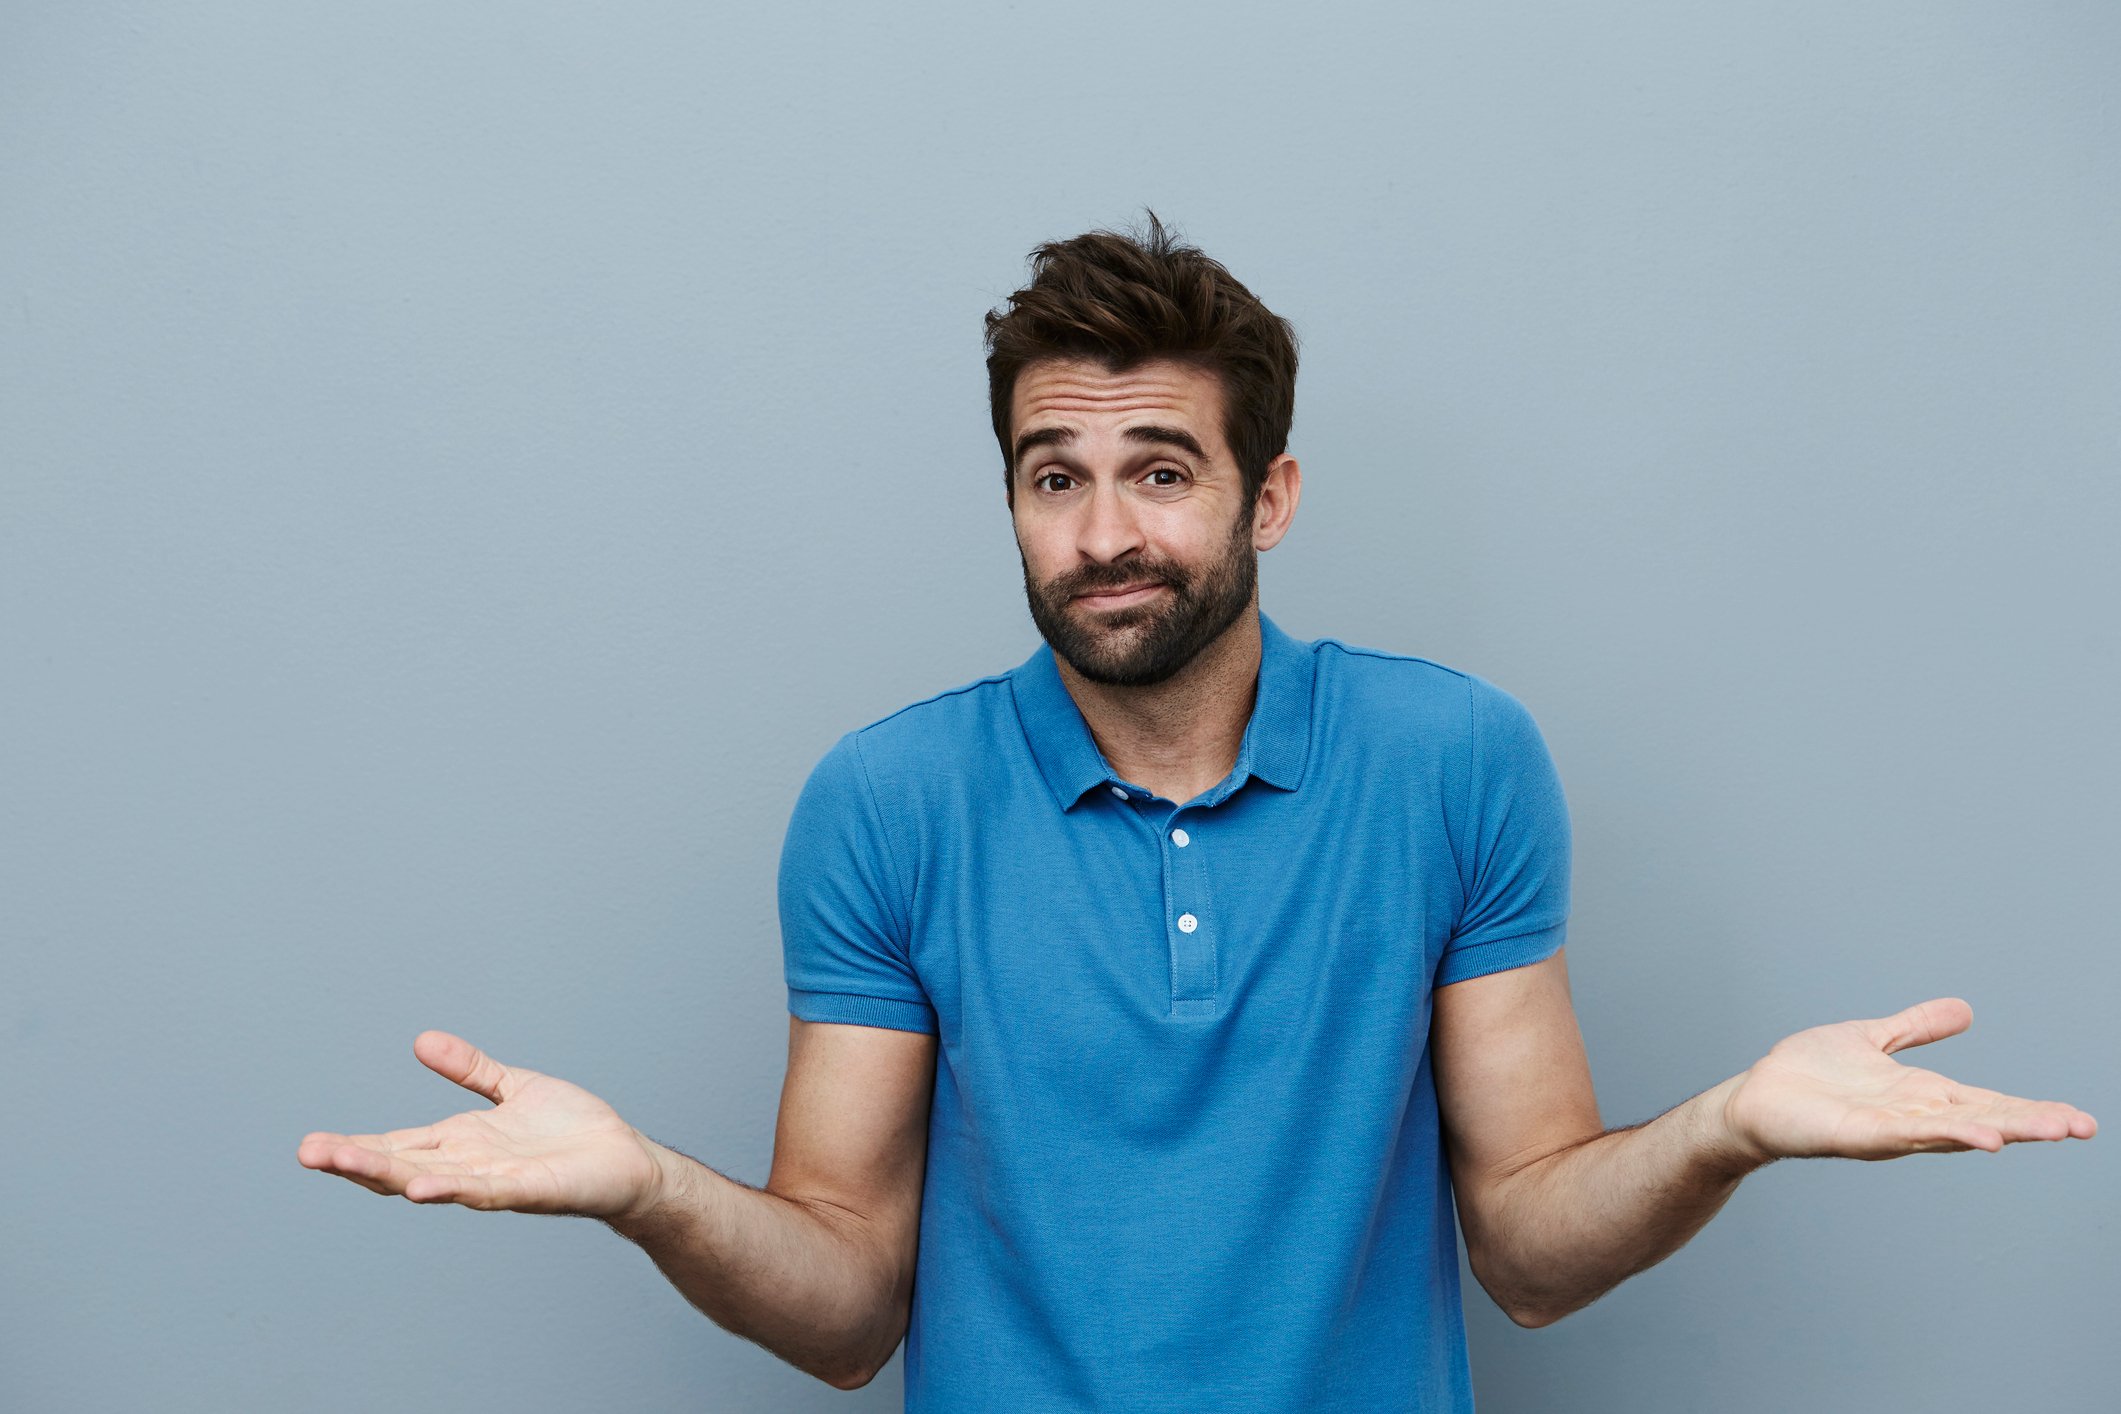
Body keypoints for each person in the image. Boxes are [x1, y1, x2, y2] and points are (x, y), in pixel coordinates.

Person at [297, 214, 2098, 1412]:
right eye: (1052, 476)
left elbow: (1529, 1251)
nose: (1103, 534)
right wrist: (645, 1191)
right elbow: (844, 1307)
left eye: (1161, 471)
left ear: (1270, 496)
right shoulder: (886, 800)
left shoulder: (1453, 759)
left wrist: (1725, 1126)